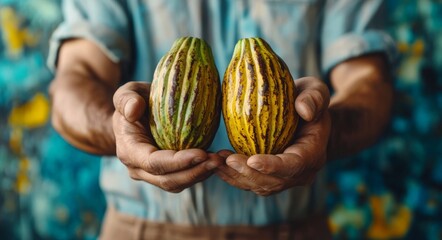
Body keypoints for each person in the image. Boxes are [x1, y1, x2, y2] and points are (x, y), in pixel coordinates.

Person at [47, 0, 395, 239]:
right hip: (141, 229)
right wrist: (120, 130)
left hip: (295, 229)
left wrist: (325, 131)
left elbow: (367, 83)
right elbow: (77, 76)